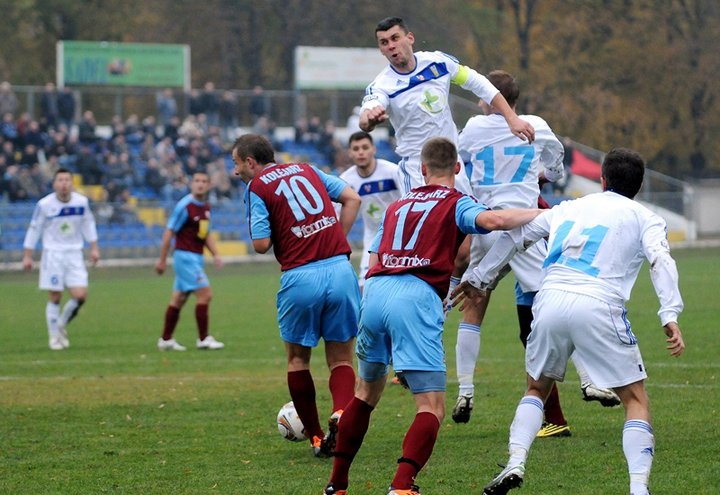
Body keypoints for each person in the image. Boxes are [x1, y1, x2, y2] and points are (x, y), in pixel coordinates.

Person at [452, 148, 685, 495]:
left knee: (535, 388)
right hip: (599, 303)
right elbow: (660, 260)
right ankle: (639, 488)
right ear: (638, 186)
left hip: (549, 300)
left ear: (602, 179)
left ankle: (516, 461)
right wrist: (669, 313)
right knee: (635, 399)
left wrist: (481, 276)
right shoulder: (646, 217)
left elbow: (517, 236)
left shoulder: (568, 207)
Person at [322, 137, 542, 495]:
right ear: (457, 168)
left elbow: (375, 258)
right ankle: (402, 486)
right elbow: (497, 219)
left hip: (375, 292)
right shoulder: (457, 202)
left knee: (363, 394)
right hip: (415, 296)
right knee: (431, 406)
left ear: (422, 170)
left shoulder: (397, 205)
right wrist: (547, 214)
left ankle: (336, 484)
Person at [451, 70, 619, 434]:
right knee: (556, 304)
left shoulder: (475, 127)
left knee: (474, 304)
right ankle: (589, 380)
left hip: (487, 224)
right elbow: (557, 167)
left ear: (488, 98)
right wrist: (538, 173)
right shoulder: (537, 125)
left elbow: (458, 165)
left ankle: (465, 390)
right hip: (527, 226)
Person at [231, 133, 362, 458]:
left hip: (300, 276)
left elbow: (261, 244)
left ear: (250, 162)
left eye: (236, 164)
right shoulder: (307, 169)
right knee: (342, 359)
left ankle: (317, 437)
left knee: (297, 360)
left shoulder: (257, 187)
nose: (235, 172)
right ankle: (343, 414)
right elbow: (353, 199)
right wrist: (334, 238)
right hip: (340, 270)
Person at [359, 16, 535, 195]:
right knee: (421, 223)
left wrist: (511, 118)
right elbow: (367, 115)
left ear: (410, 38)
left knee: (464, 221)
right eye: (384, 42)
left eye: (395, 38)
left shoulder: (438, 63)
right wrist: (370, 120)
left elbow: (479, 83)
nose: (391, 46)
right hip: (417, 168)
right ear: (381, 49)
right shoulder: (381, 85)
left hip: (451, 162)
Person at [22, 168, 100, 350]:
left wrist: (94, 248)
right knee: (55, 296)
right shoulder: (44, 205)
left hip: (74, 254)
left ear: (72, 183)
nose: (64, 184)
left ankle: (60, 324)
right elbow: (35, 229)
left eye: (67, 180)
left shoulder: (81, 202)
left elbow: (88, 224)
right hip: (53, 254)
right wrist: (27, 256)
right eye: (60, 180)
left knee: (80, 296)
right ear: (54, 184)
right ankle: (54, 338)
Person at [155, 171, 225, 351]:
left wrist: (216, 254)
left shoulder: (206, 206)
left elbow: (205, 233)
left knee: (178, 299)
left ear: (208, 185)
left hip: (196, 257)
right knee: (205, 294)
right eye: (196, 181)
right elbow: (169, 232)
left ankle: (166, 340)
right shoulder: (185, 206)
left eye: (204, 181)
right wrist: (162, 260)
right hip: (185, 257)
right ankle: (203, 339)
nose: (200, 184)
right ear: (191, 184)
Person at [339, 131, 402, 288]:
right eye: (356, 148)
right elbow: (335, 213)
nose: (361, 152)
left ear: (373, 149)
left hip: (401, 236)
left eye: (365, 147)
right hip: (373, 238)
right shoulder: (346, 180)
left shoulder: (392, 171)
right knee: (364, 286)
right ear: (350, 153)